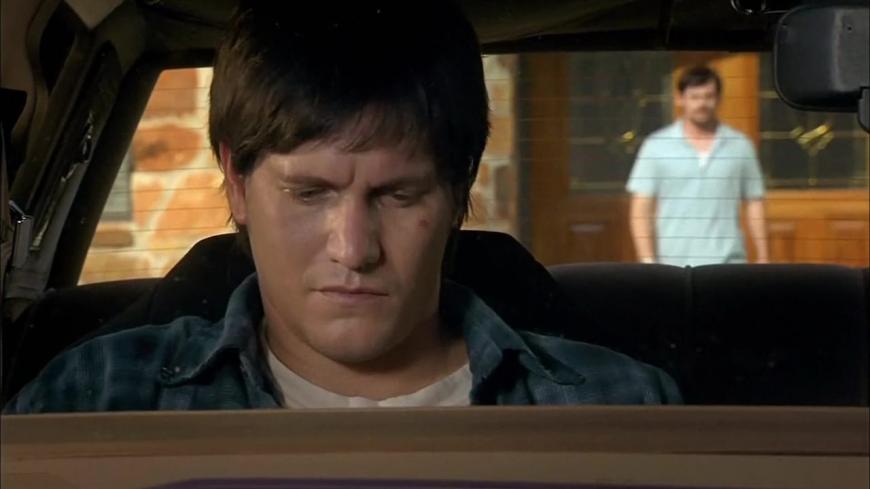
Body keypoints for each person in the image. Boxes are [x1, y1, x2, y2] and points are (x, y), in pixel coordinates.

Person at [5, 1, 680, 413]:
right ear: (236, 181)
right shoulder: (96, 394)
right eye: (309, 193)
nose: (354, 250)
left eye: (399, 194)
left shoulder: (621, 404)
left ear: (459, 188)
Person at [627, 66, 768, 267]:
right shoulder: (656, 146)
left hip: (729, 263)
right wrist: (648, 261)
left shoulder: (740, 145)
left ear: (718, 99)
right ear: (680, 99)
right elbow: (641, 209)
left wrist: (763, 256)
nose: (702, 103)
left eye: (708, 96)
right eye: (694, 97)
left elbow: (754, 202)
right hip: (674, 266)